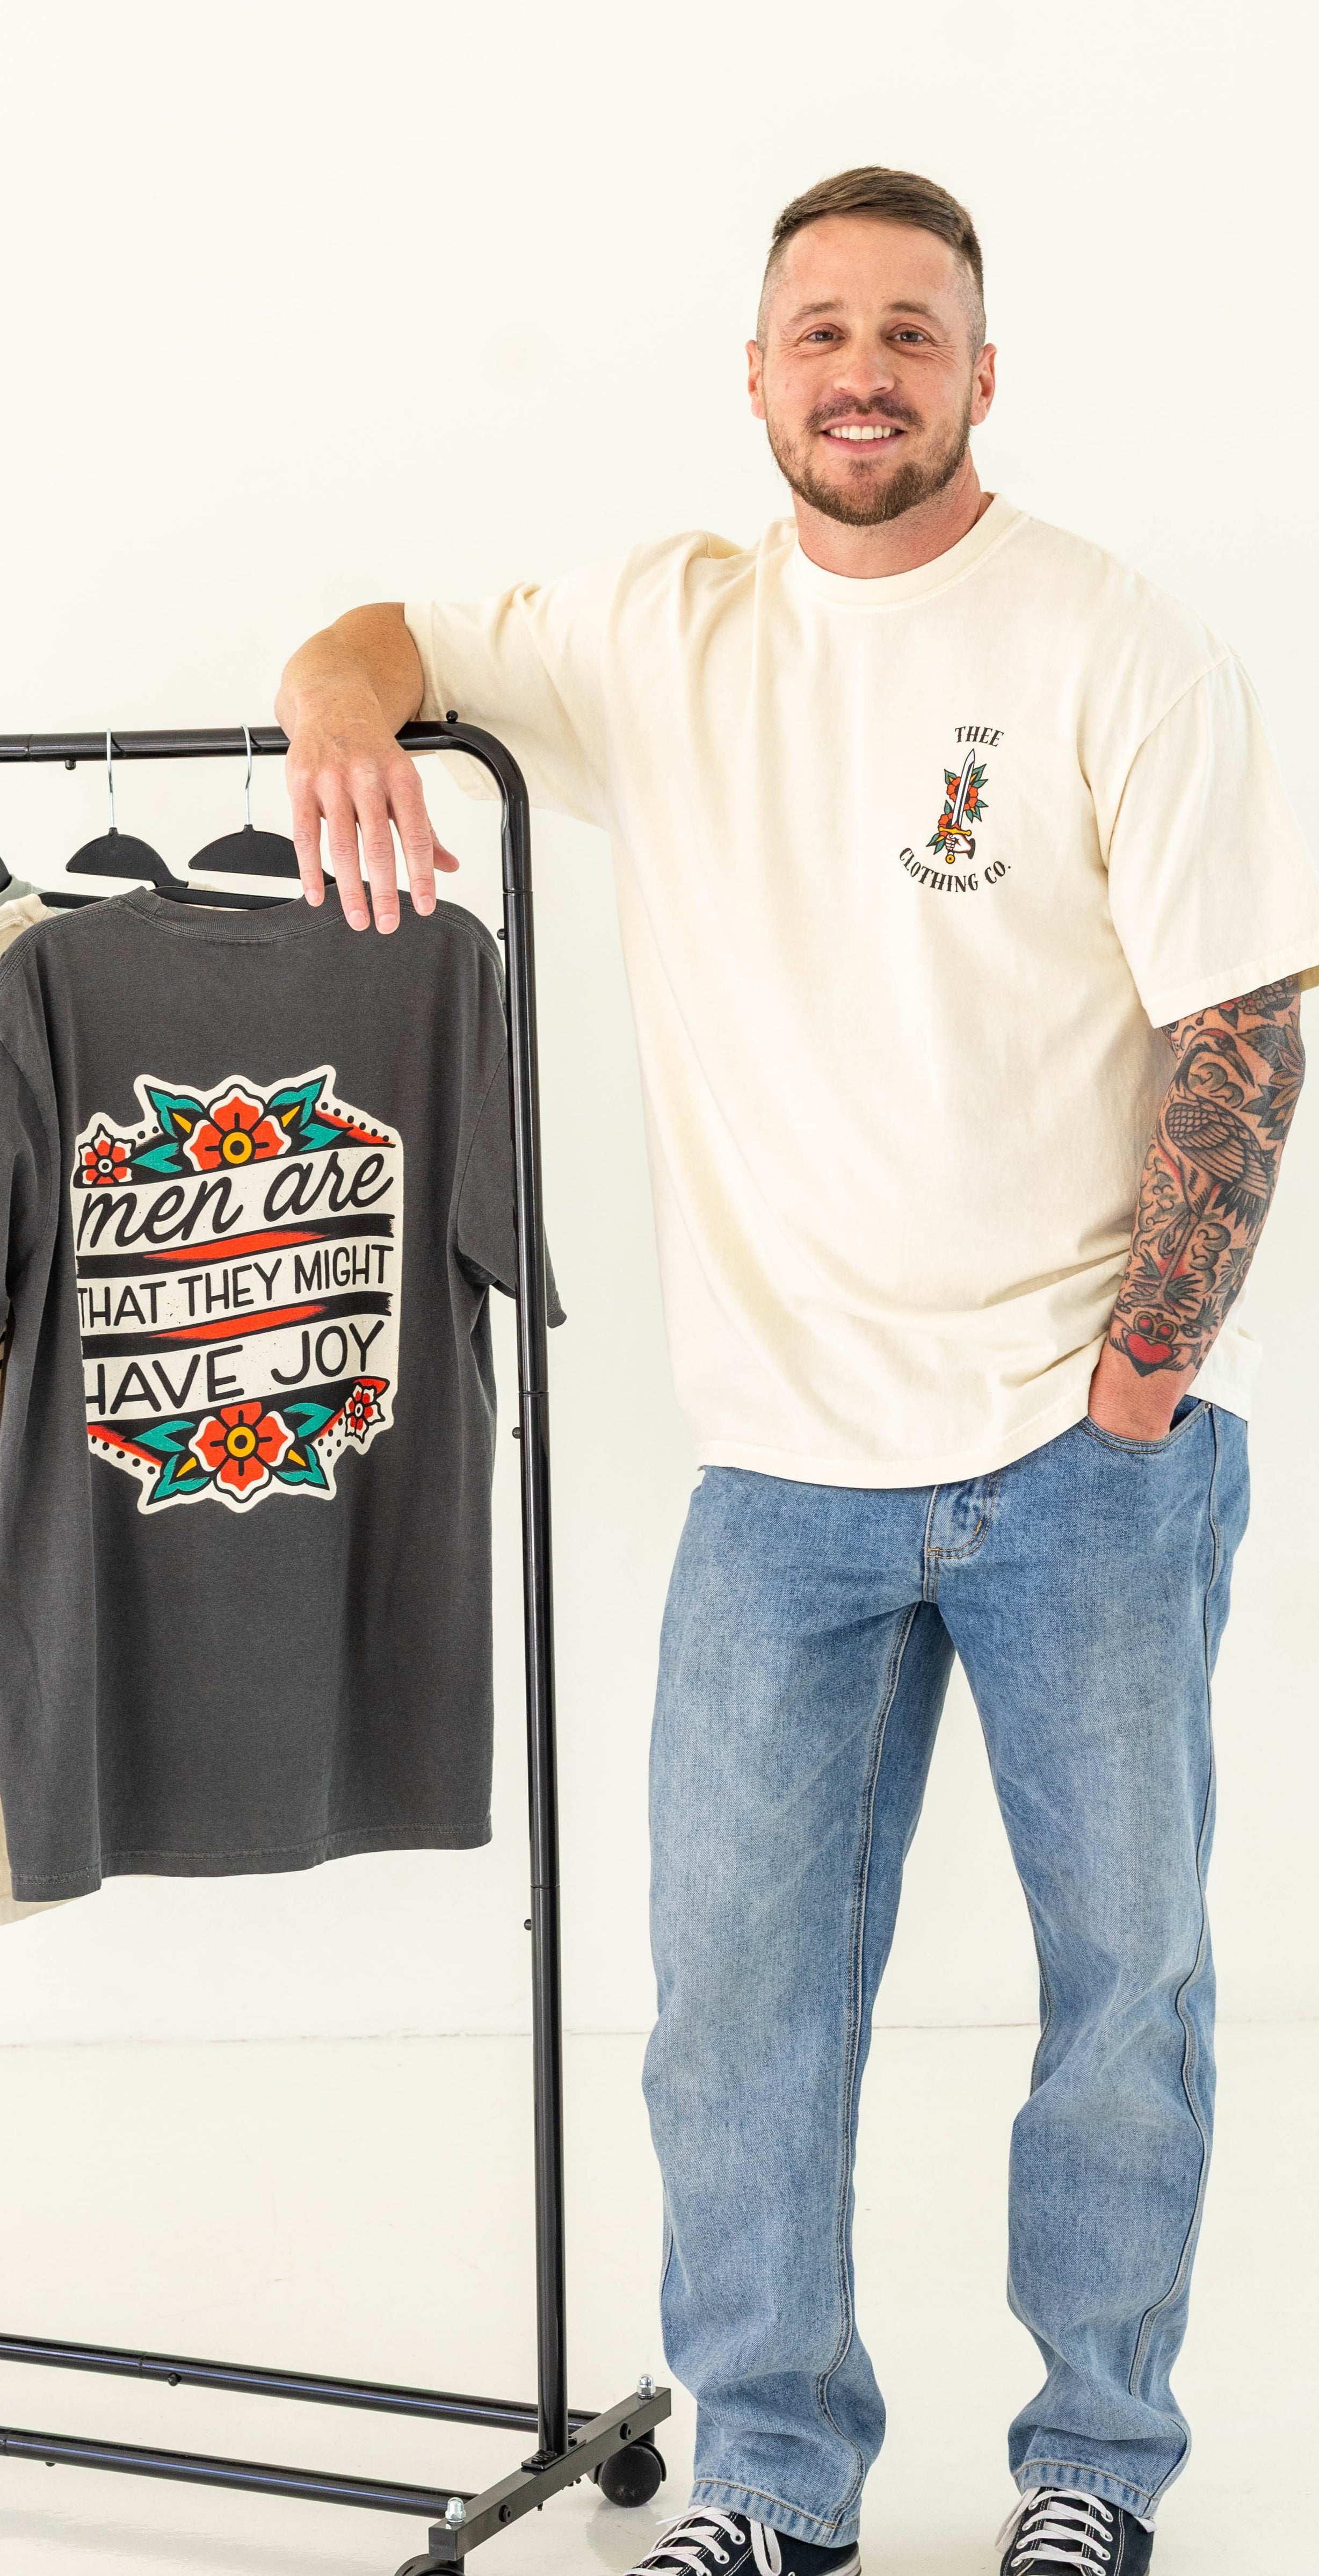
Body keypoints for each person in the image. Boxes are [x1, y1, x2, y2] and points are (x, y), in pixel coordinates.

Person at [274, 166, 1318, 2576]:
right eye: (822, 330)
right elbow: (383, 633)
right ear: (755, 376)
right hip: (779, 1471)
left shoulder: (1116, 640)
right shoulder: (664, 627)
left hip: (1084, 1450)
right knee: (735, 2008)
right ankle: (772, 2479)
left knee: (1125, 1992)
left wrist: (1139, 1383)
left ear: (983, 375)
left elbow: (1245, 1022)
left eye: (912, 332)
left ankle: (1092, 2470)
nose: (866, 371)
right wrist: (337, 709)